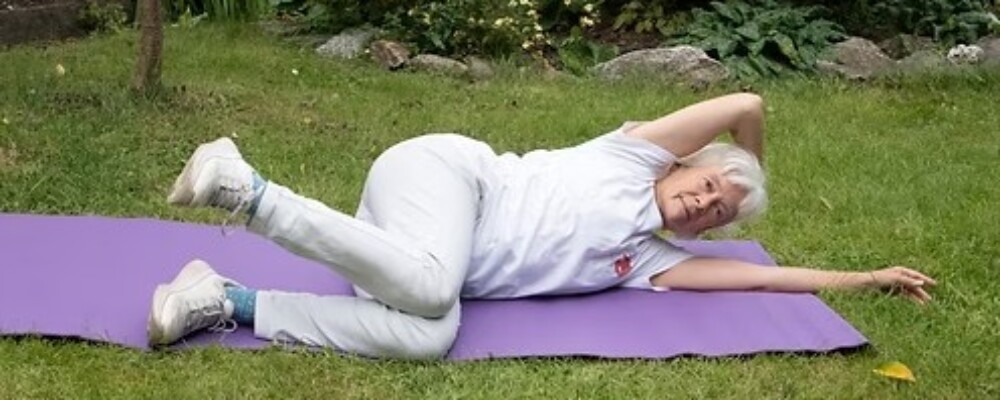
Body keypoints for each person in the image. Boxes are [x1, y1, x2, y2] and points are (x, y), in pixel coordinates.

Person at [147, 93, 936, 359]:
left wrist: (867, 278)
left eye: (718, 213)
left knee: (429, 334)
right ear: (683, 165)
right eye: (706, 186)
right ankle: (249, 190)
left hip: (402, 255)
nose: (705, 204)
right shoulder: (632, 154)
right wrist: (747, 166)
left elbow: (762, 279)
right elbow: (747, 105)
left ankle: (226, 300)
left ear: (709, 231)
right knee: (434, 293)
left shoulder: (652, 260)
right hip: (443, 177)